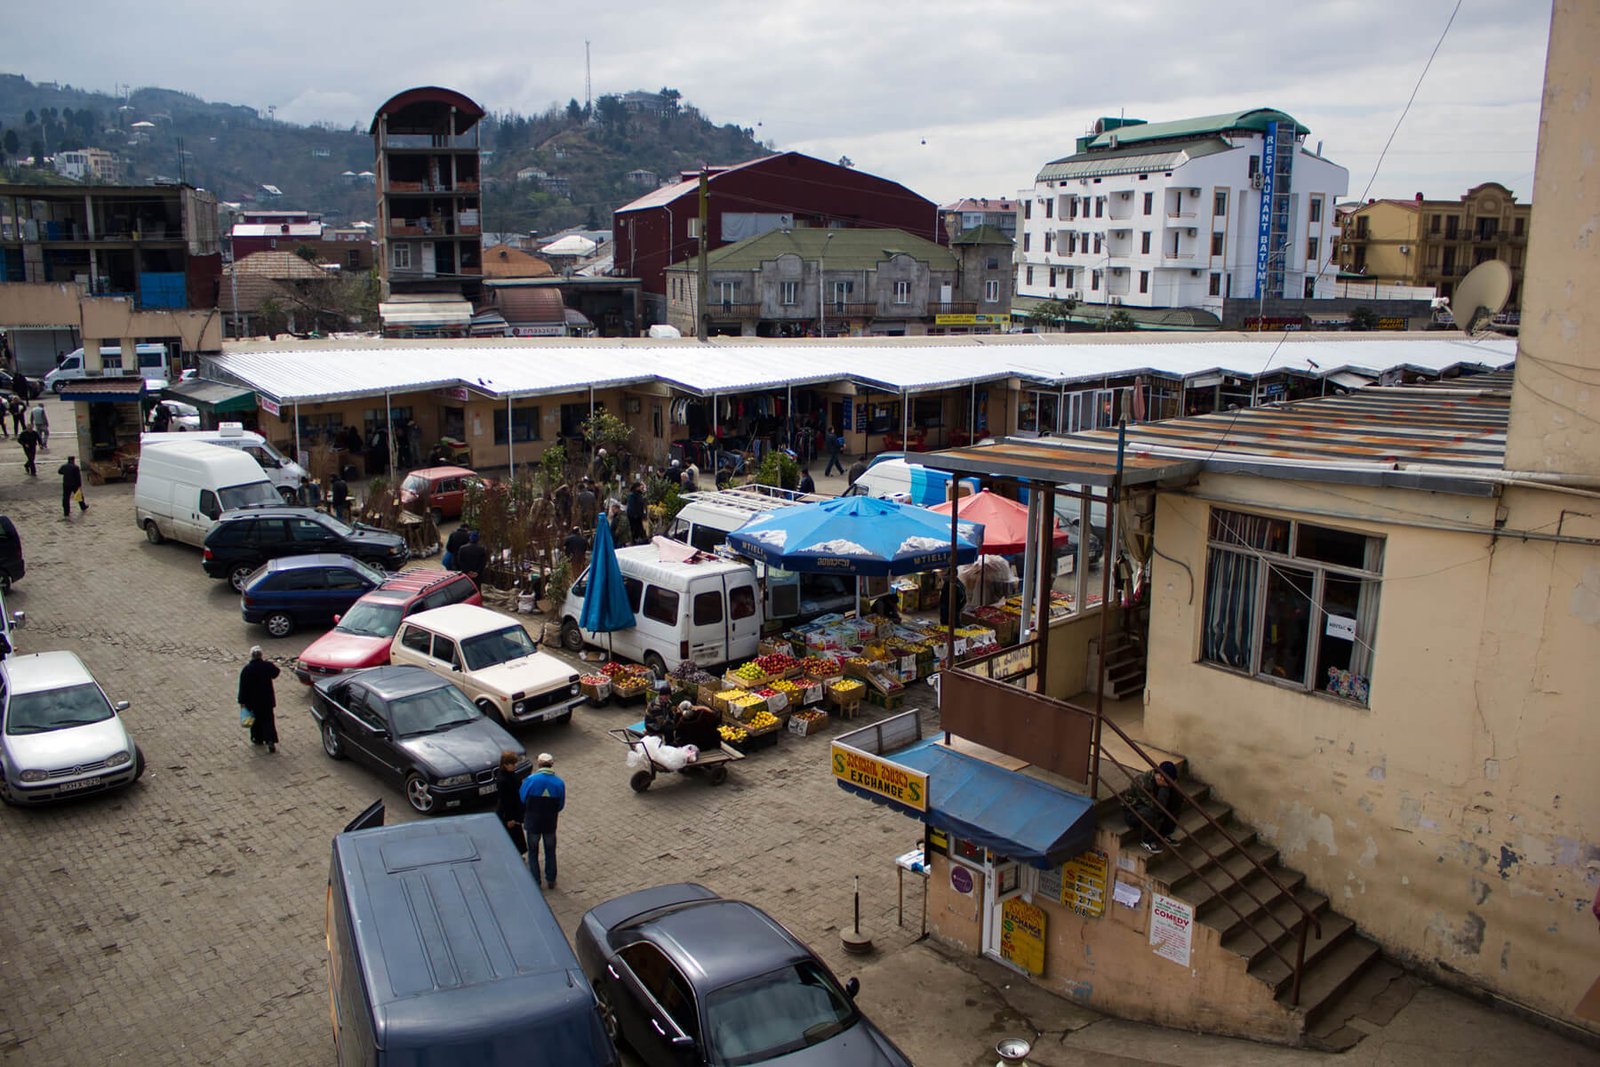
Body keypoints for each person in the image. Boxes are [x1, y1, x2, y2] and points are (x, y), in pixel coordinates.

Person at [519, 753, 565, 889]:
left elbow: (522, 798)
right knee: (550, 851)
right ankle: (551, 879)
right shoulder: (559, 782)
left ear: (539, 764)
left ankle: (536, 880)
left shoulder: (530, 780)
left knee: (533, 852)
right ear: (552, 764)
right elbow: (561, 805)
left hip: (532, 822)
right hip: (550, 823)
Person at [1124, 761, 1183, 853]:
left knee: (1177, 798)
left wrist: (1167, 789)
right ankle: (1147, 841)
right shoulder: (1143, 782)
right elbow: (1157, 808)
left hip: (1153, 806)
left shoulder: (1164, 782)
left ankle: (1164, 833)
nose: (1170, 785)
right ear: (1160, 777)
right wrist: (1164, 789)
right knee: (1149, 812)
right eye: (1168, 782)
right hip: (1134, 811)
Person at [238, 646, 282, 753]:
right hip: (267, 700)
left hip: (253, 702)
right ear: (261, 655)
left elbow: (243, 687)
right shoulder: (267, 666)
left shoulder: (247, 669)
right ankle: (270, 740)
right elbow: (276, 672)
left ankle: (258, 738)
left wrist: (242, 702)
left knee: (256, 722)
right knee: (268, 720)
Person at [494, 750, 529, 854]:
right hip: (509, 814)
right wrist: (509, 818)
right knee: (513, 838)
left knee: (516, 836)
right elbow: (505, 801)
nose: (515, 766)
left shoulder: (508, 773)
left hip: (514, 810)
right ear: (505, 764)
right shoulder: (503, 780)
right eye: (512, 764)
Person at [58, 456, 86, 521]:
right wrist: (79, 485)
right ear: (73, 460)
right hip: (74, 484)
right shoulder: (75, 467)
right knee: (79, 496)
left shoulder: (64, 466)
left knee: (66, 497)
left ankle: (66, 512)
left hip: (66, 484)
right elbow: (78, 477)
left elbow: (59, 472)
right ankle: (83, 506)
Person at [626, 481, 648, 545]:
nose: (641, 487)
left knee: (639, 529)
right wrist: (635, 514)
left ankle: (639, 539)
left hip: (638, 516)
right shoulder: (633, 495)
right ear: (636, 487)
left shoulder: (639, 494)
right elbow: (632, 506)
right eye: (640, 486)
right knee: (635, 529)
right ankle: (635, 540)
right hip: (634, 516)